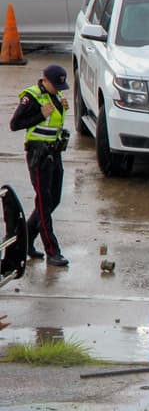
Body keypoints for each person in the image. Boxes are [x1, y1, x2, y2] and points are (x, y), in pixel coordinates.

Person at [9, 64, 71, 267]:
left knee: (54, 200)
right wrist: (41, 115)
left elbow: (54, 122)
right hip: (39, 155)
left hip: (54, 153)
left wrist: (60, 108)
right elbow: (15, 124)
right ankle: (52, 251)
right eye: (56, 85)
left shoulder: (55, 97)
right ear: (44, 80)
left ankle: (24, 240)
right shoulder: (32, 97)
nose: (59, 89)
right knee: (44, 204)